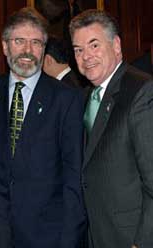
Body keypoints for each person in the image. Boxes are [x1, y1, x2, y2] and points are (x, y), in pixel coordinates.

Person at [0, 7, 86, 248]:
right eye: (19, 41)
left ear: (44, 48)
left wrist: (69, 241)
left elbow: (74, 180)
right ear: (5, 46)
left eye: (36, 42)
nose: (27, 50)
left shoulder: (67, 100)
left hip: (49, 237)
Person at [69, 9, 153, 248]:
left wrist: (142, 243)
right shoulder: (86, 97)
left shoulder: (141, 91)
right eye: (78, 50)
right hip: (97, 234)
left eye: (94, 45)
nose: (86, 56)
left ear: (116, 45)